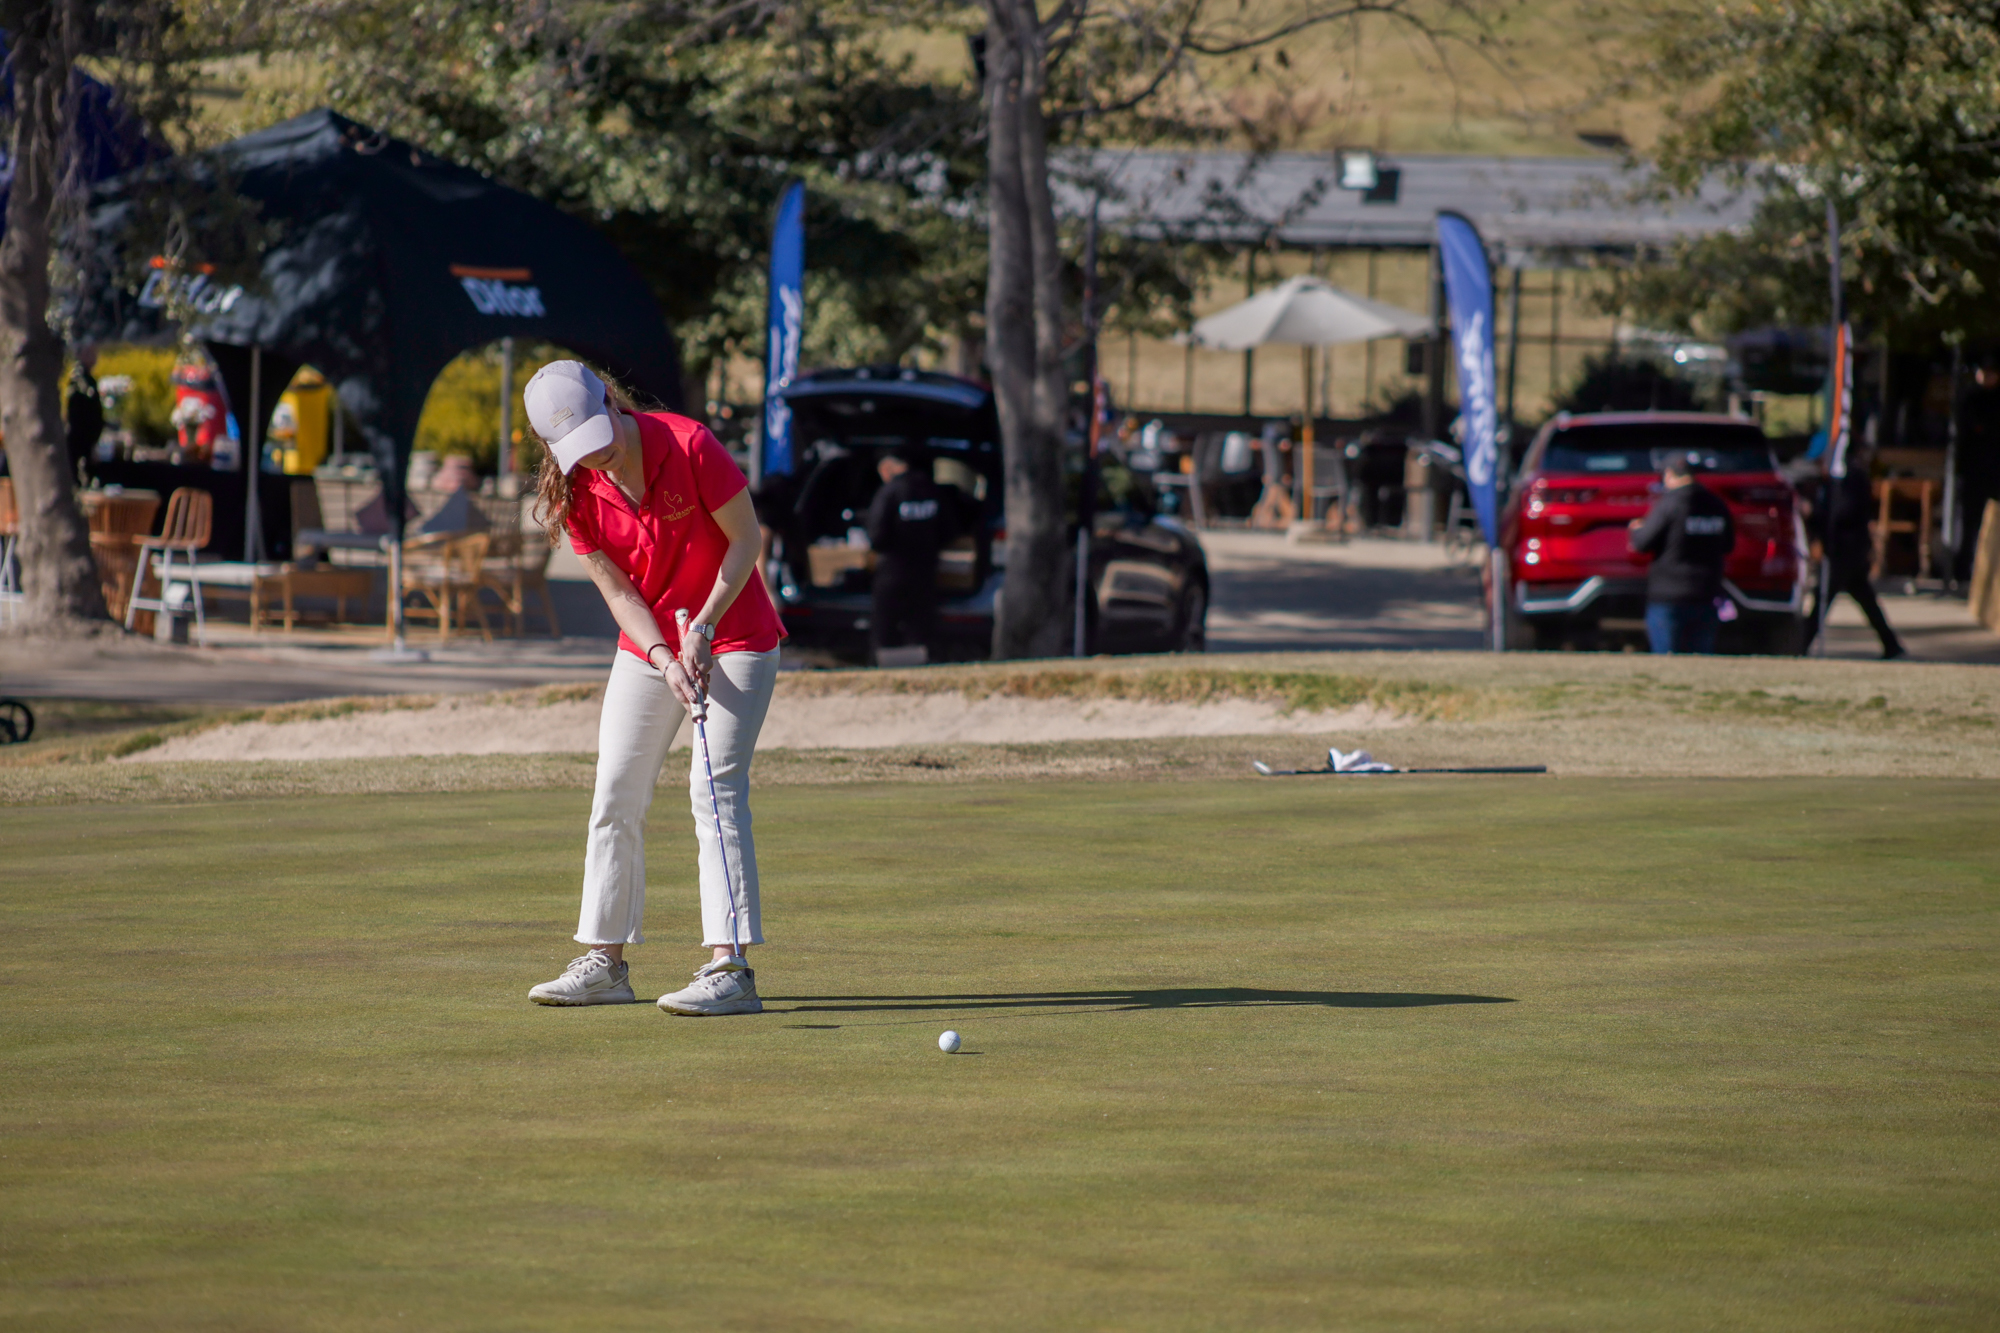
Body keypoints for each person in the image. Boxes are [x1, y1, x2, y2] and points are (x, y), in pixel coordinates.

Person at [523, 360, 786, 1015]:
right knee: (616, 789)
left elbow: (746, 540)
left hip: (737, 635)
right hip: (651, 645)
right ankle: (606, 965)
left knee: (713, 788)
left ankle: (731, 968)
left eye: (599, 435)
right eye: (578, 449)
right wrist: (665, 654)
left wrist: (703, 625)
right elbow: (618, 591)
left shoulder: (690, 444)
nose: (598, 455)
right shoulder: (575, 492)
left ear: (611, 403)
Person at [1802, 442, 1905, 659]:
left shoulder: (1849, 479)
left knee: (1823, 598)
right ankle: (1891, 644)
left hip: (1846, 551)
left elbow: (1843, 513)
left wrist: (1816, 515)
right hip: (1843, 551)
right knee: (1864, 599)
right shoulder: (1833, 480)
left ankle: (1801, 646)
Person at [1628, 451, 1736, 654]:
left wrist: (1636, 530)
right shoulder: (1716, 504)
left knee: (1667, 661)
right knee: (1701, 661)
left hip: (1668, 598)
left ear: (1669, 474)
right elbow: (1728, 545)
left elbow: (1643, 543)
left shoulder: (1669, 503)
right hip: (1706, 593)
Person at [865, 445, 954, 664]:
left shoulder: (889, 492)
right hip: (926, 571)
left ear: (887, 468)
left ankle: (883, 669)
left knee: (885, 628)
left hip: (892, 571)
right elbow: (949, 529)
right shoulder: (933, 491)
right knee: (920, 629)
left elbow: (876, 535)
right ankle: (918, 669)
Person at [65, 345, 103, 483]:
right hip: (81, 435)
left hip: (86, 436)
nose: (94, 358)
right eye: (89, 354)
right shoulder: (79, 379)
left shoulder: (87, 379)